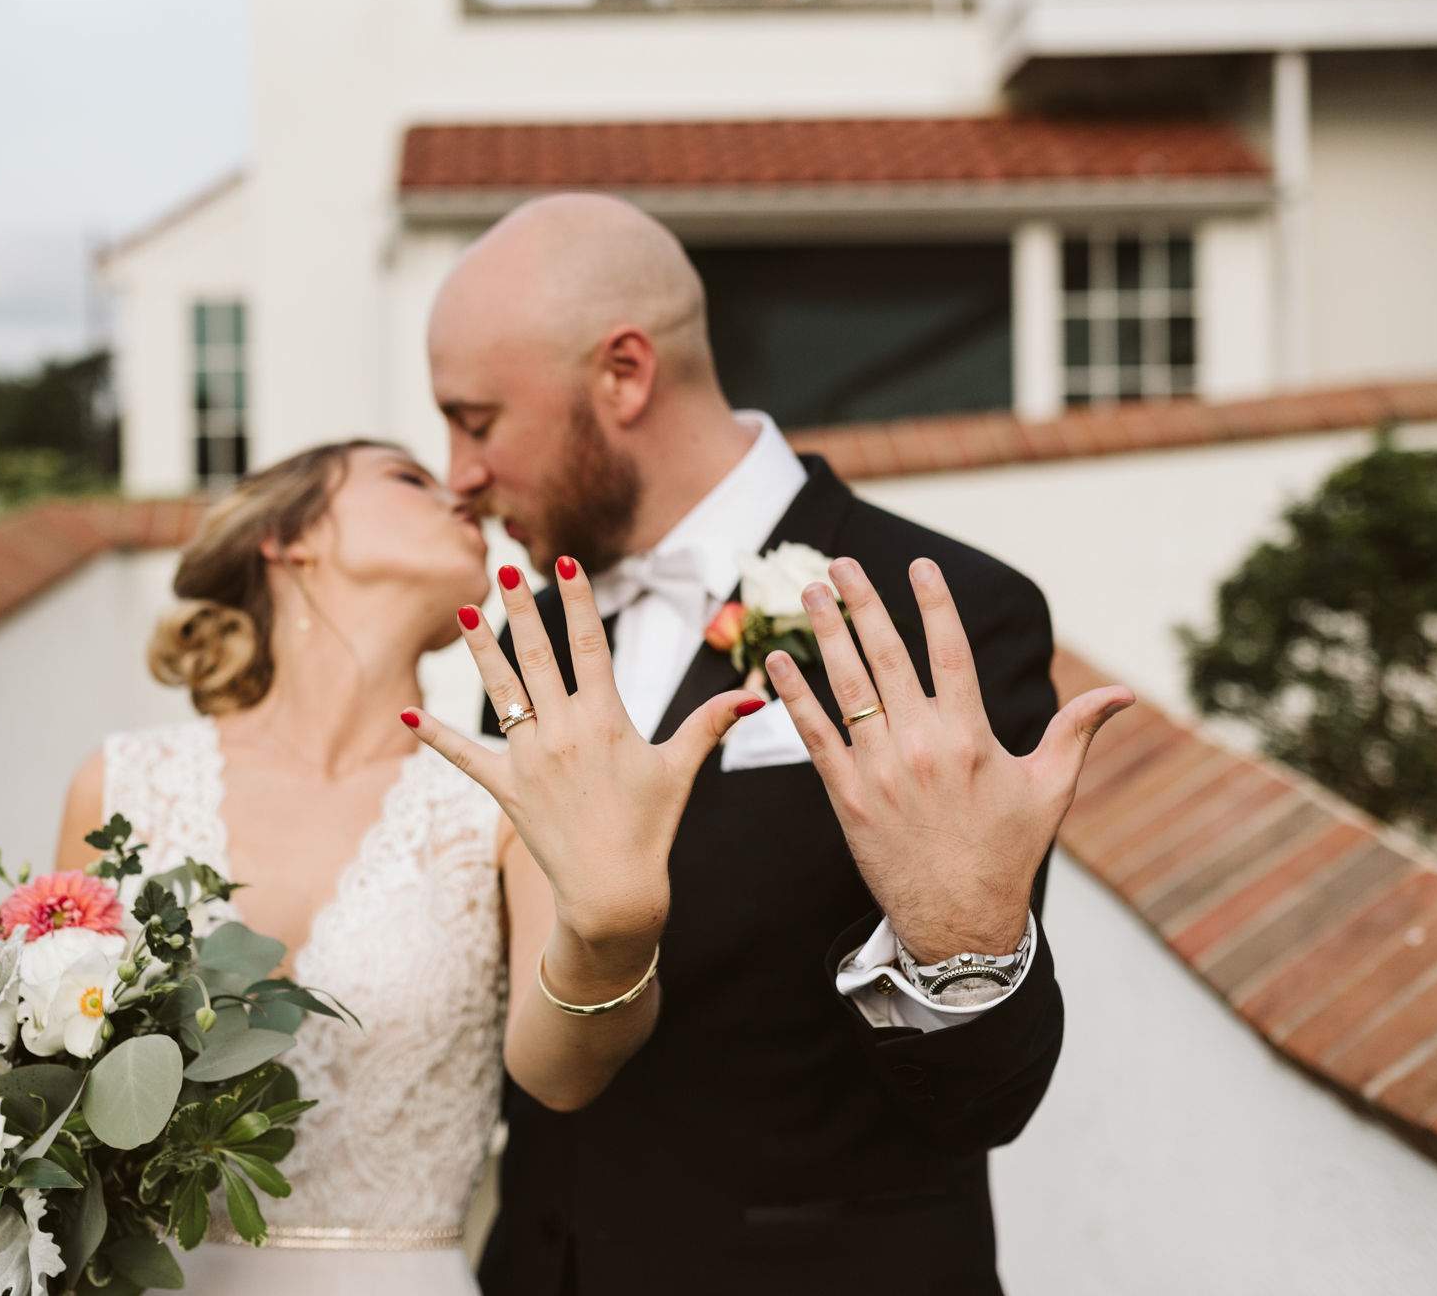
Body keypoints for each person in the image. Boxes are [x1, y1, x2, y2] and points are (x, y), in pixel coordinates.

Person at [408, 193, 1135, 1295]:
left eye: (475, 420)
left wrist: (960, 946)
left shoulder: (938, 612)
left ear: (623, 375)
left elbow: (986, 1101)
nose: (458, 473)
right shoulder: (538, 629)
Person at [52, 441, 761, 1295]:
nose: (460, 489)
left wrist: (615, 924)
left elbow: (561, 1071)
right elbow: (52, 1092)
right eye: (407, 476)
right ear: (287, 536)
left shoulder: (503, 797)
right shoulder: (119, 784)